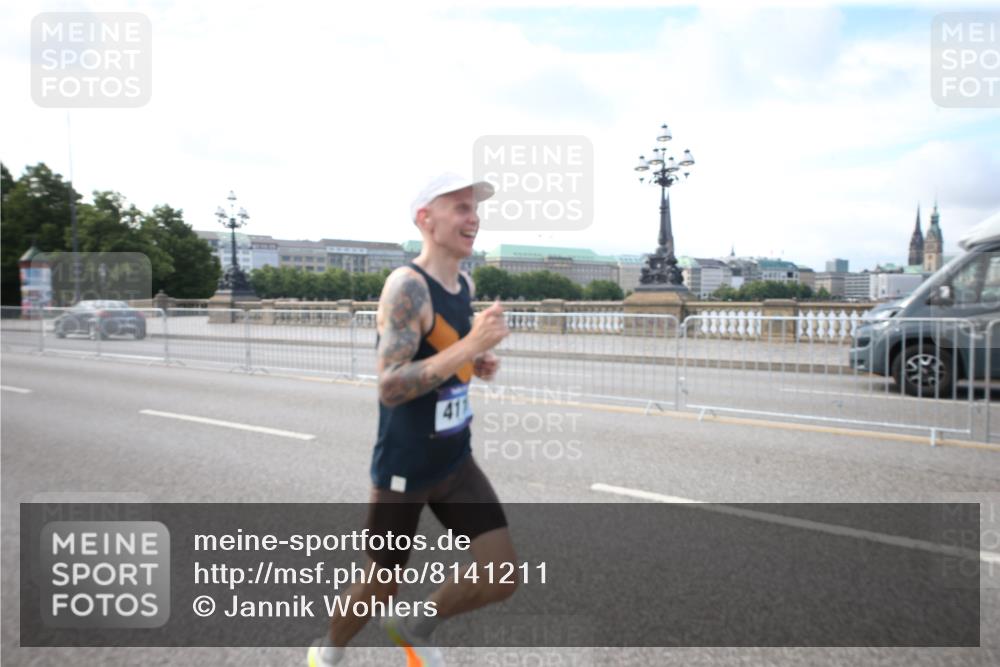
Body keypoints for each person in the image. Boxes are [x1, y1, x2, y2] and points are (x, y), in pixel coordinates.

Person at [308, 173, 517, 667]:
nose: (474, 218)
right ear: (426, 219)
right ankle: (328, 651)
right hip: (405, 468)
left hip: (454, 458)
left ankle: (414, 626)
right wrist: (470, 347)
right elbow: (391, 384)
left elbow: (445, 353)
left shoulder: (464, 282)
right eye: (461, 208)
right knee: (380, 583)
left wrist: (475, 363)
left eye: (475, 208)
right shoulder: (406, 286)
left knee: (500, 576)